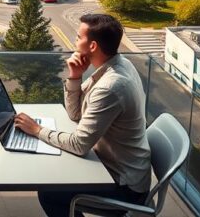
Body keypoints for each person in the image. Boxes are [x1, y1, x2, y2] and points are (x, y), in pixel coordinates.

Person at [13, 13, 152, 217]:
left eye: (79, 37)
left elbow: (79, 145)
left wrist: (37, 130)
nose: (75, 41)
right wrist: (75, 76)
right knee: (55, 174)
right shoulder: (116, 66)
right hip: (113, 165)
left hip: (123, 187)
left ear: (93, 46)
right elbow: (76, 113)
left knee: (49, 194)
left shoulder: (110, 87)